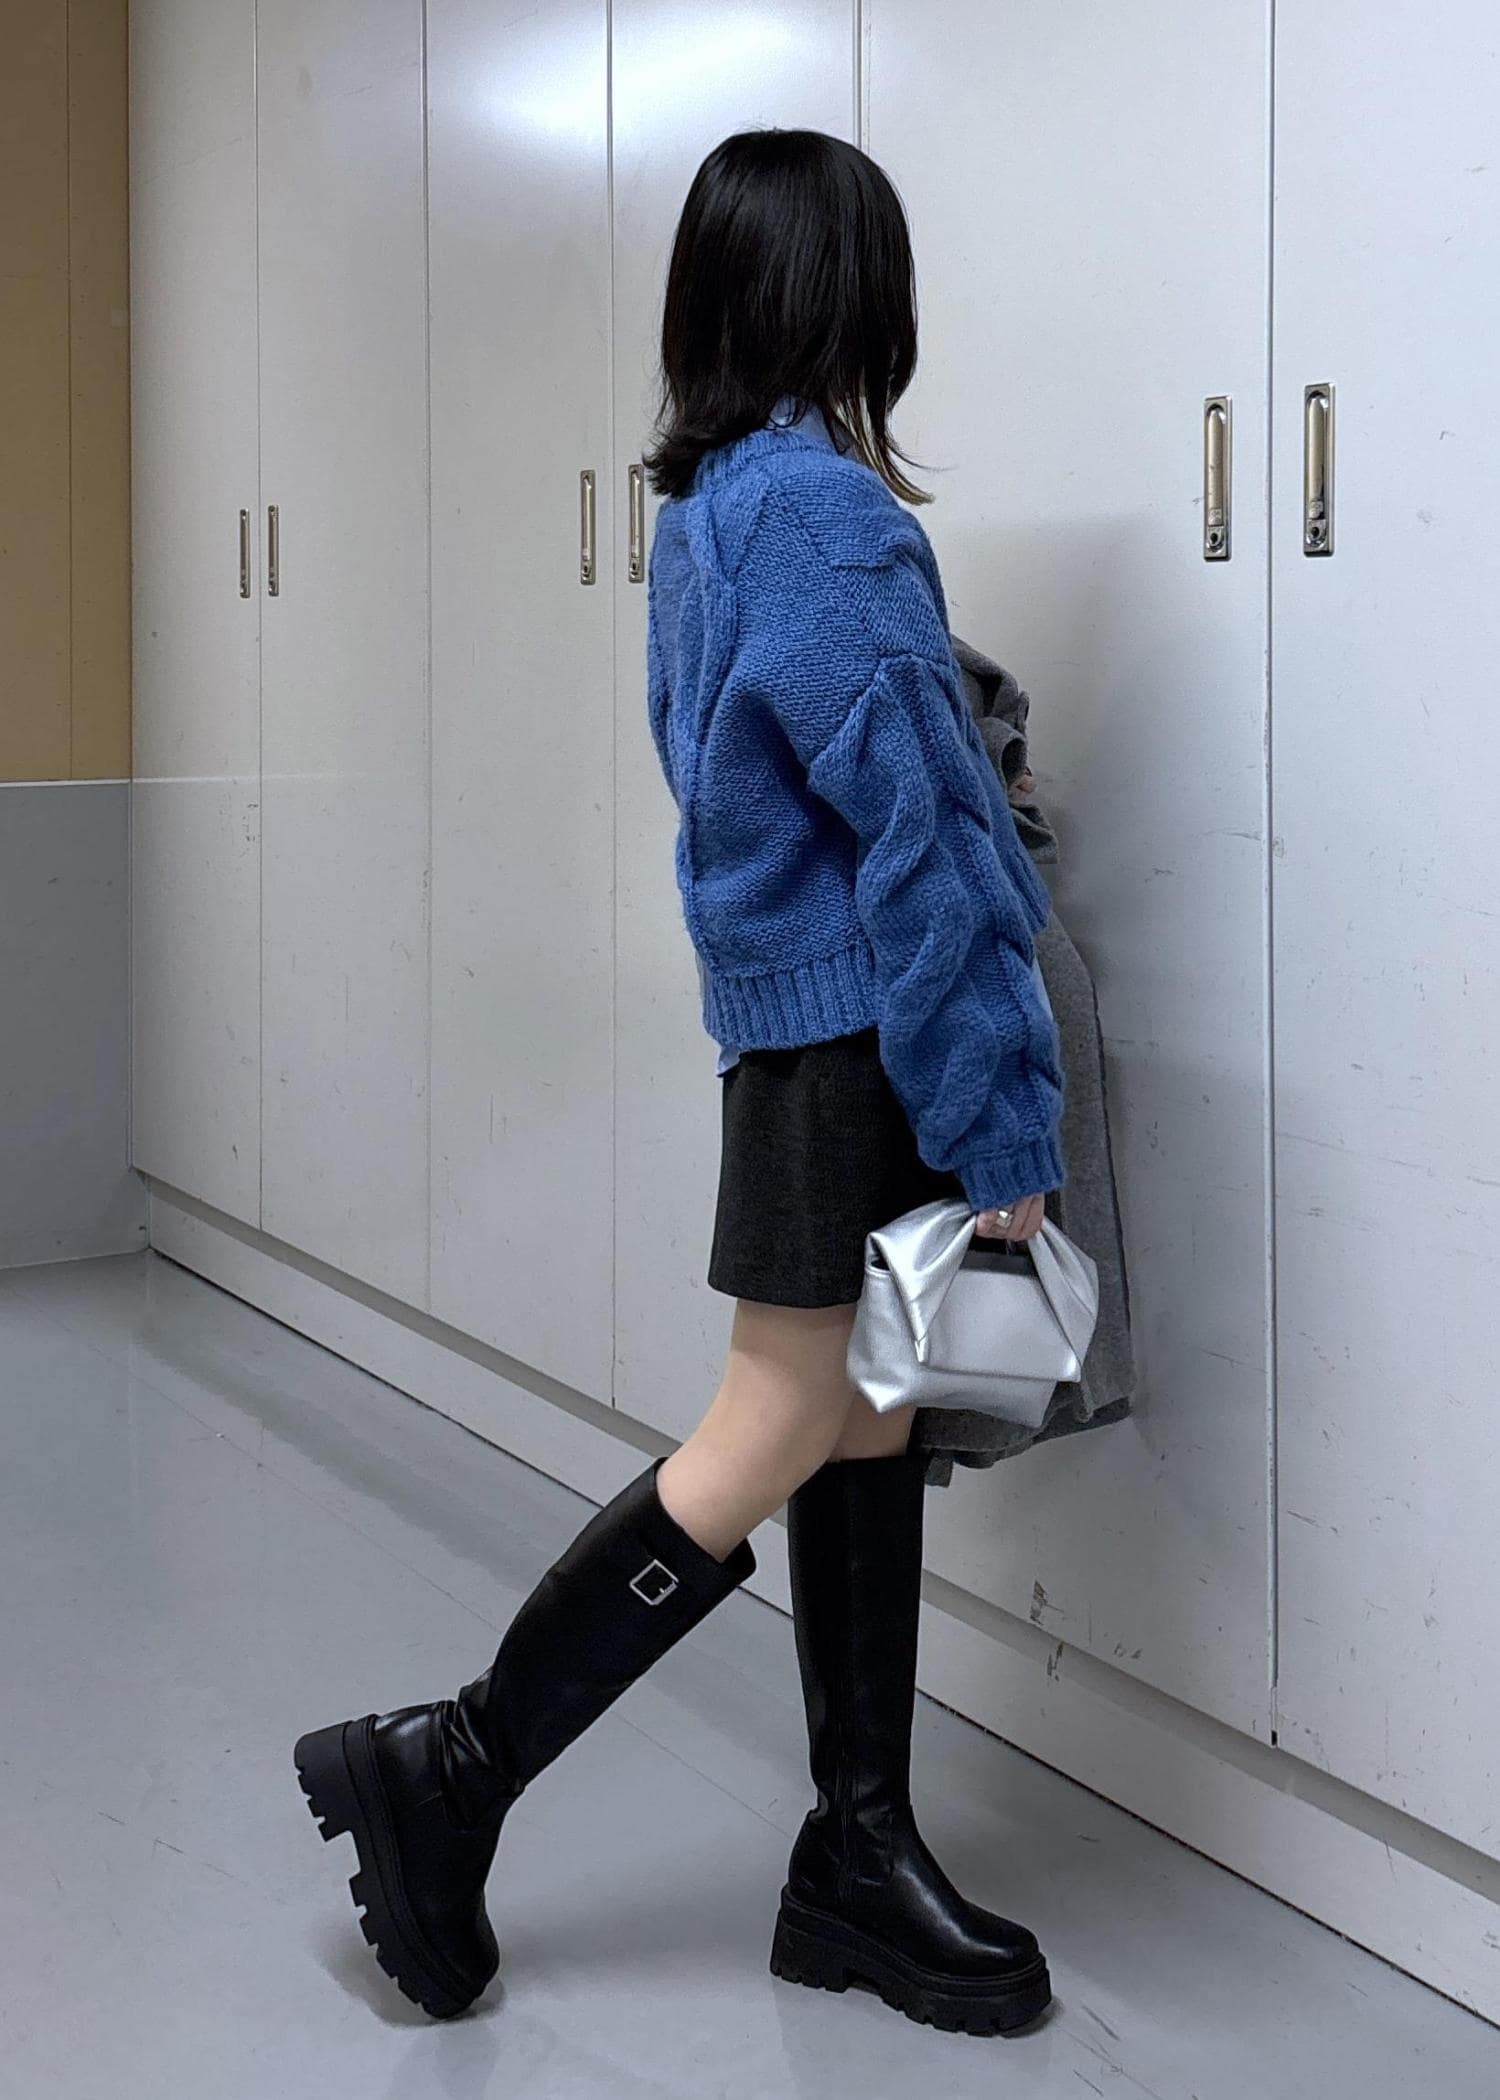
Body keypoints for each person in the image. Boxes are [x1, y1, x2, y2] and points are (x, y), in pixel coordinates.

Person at [293, 127, 1065, 2039]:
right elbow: (927, 841)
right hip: (861, 1045)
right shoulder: (826, 518)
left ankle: (856, 1853)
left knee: (861, 1423)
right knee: (775, 1424)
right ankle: (451, 1768)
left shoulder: (714, 508)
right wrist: (1000, 1110)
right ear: (850, 294)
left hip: (792, 1038)